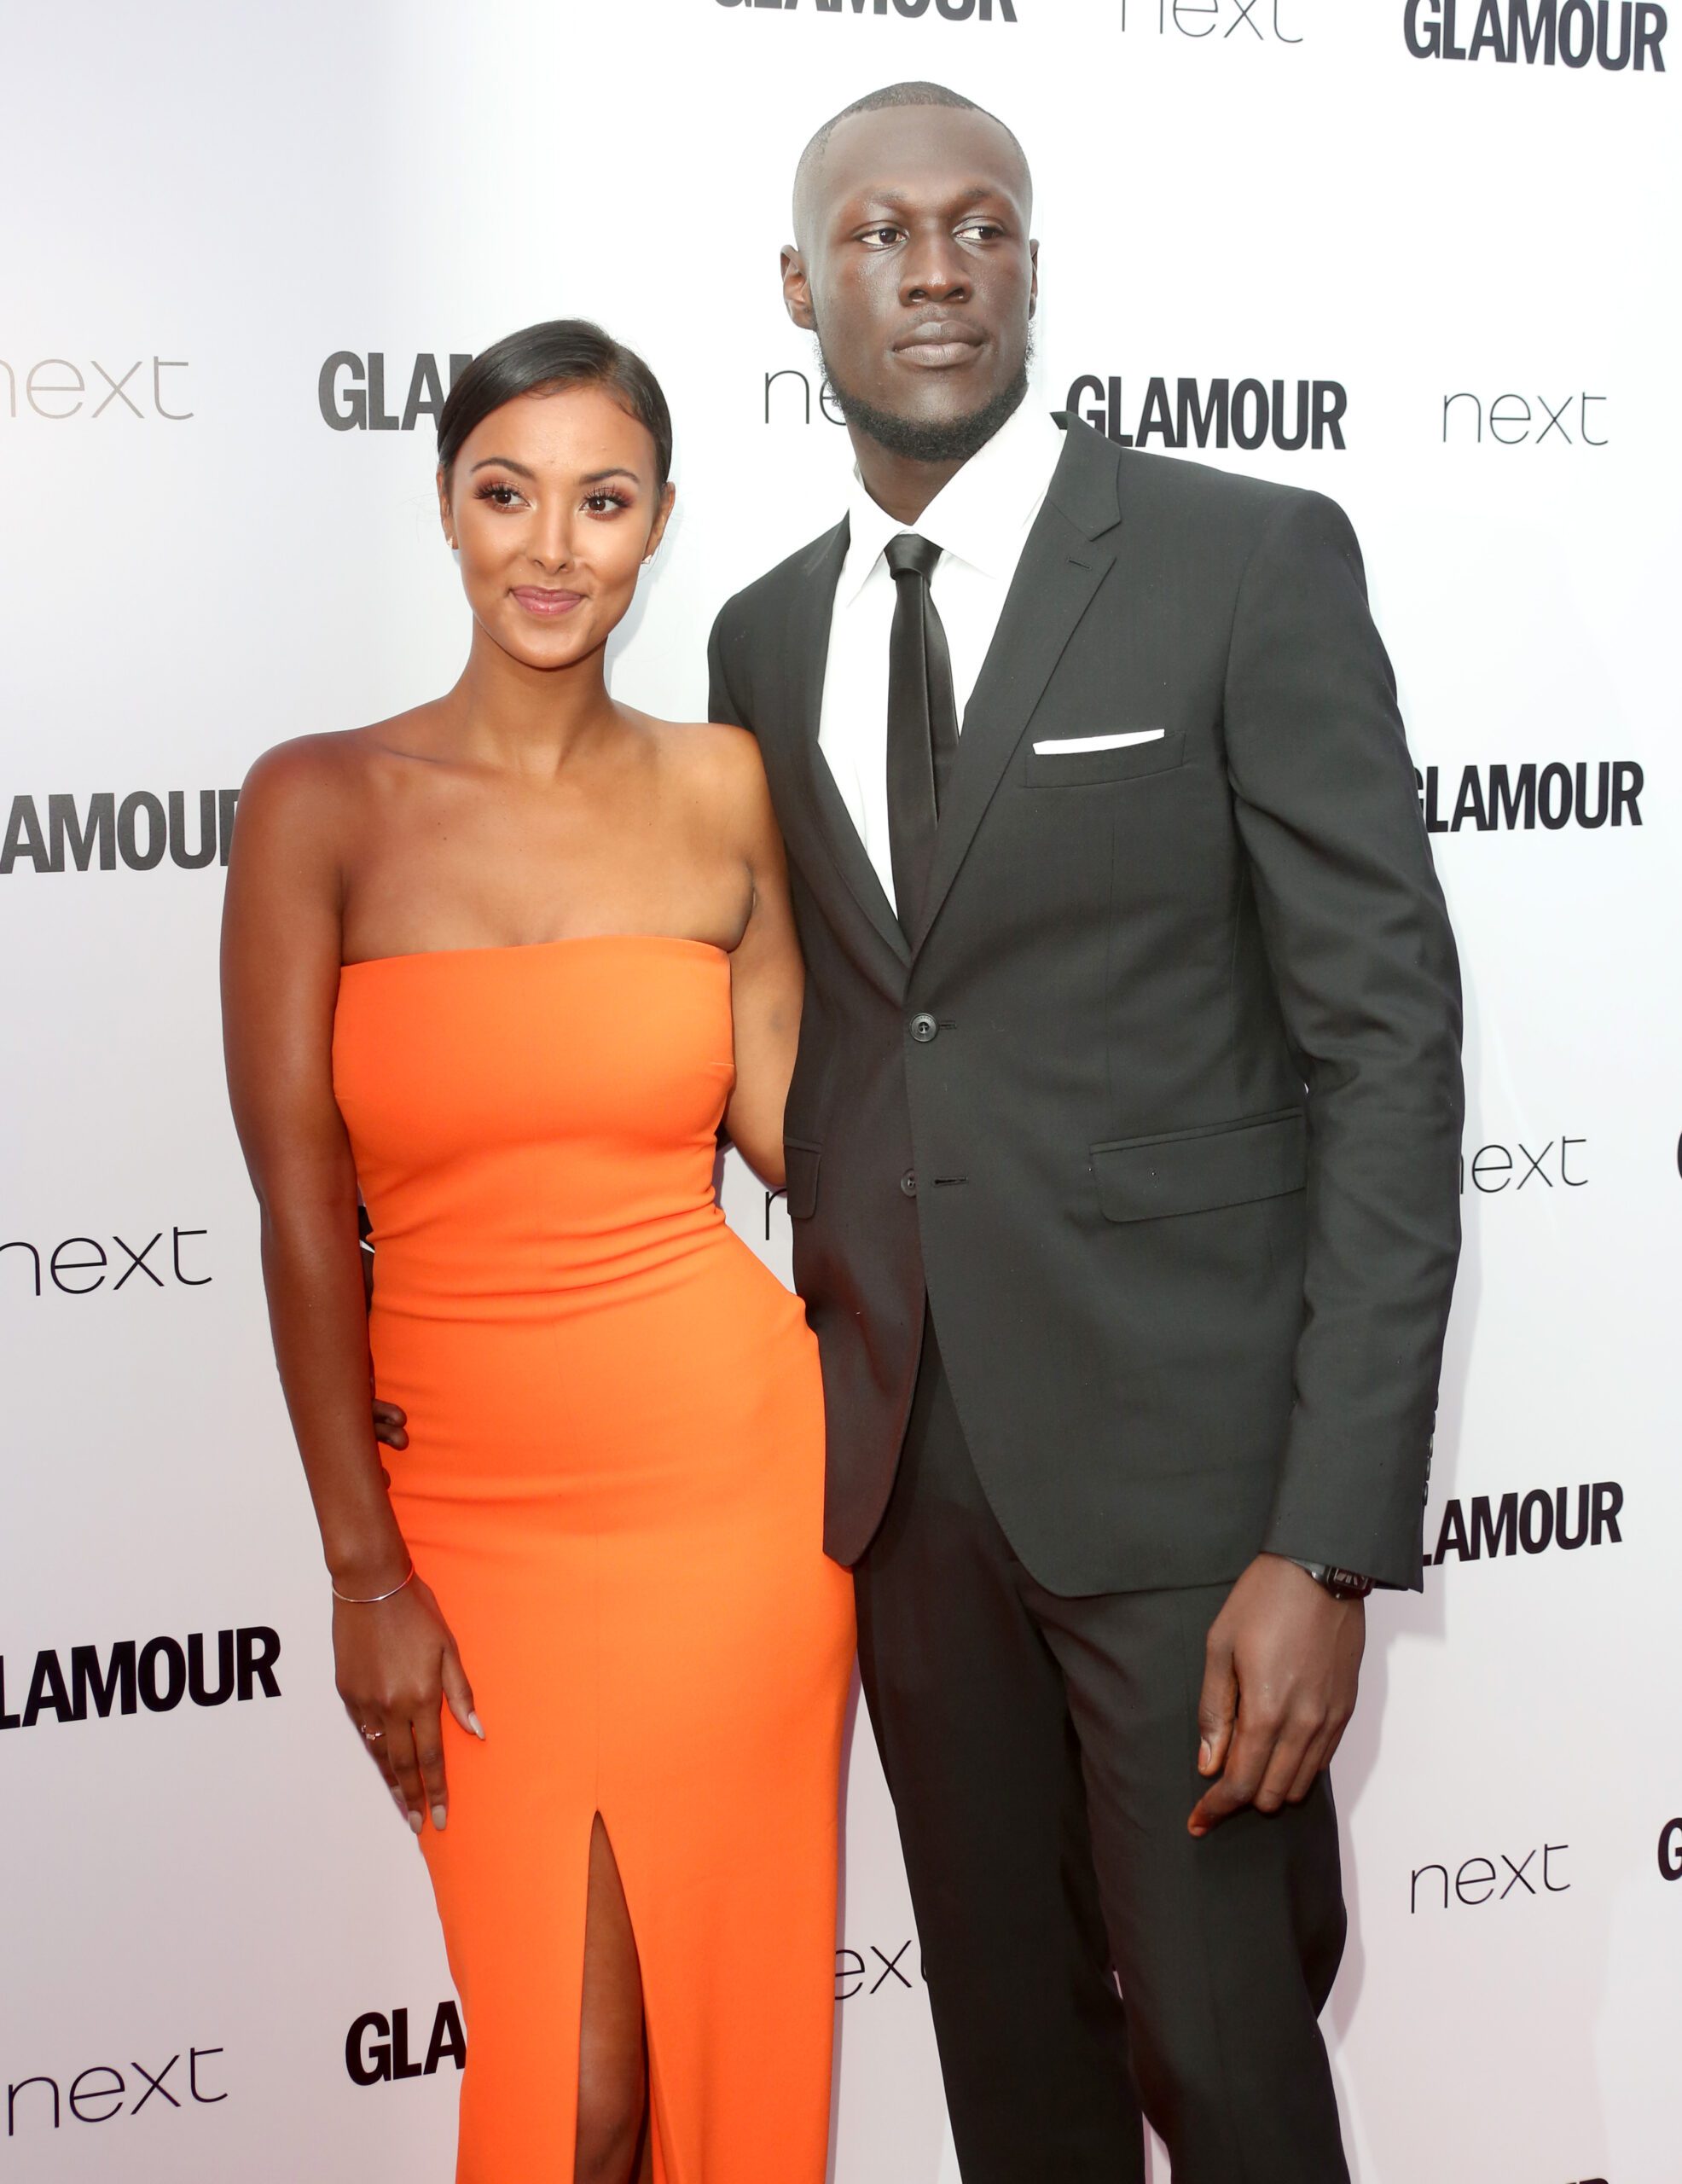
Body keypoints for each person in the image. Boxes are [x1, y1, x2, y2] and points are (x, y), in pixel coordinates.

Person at [704, 83, 1464, 2184]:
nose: (932, 266)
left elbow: (1385, 1047)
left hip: (1191, 1498)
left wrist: (1320, 1537)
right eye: (876, 232)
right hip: (907, 1486)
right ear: (799, 284)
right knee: (1011, 2090)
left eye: (980, 226)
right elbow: (854, 1032)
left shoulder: (1241, 556)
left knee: (1224, 2069)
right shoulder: (758, 635)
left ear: (1031, 264)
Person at [222, 319, 854, 2184]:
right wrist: (364, 1569)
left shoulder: (722, 785)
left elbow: (795, 1130)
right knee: (573, 2093)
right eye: (508, 493)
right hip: (468, 1521)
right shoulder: (316, 799)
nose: (553, 545)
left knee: (712, 2058)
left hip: (732, 1496)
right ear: (443, 509)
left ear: (659, 522)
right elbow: (293, 1204)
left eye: (603, 498)